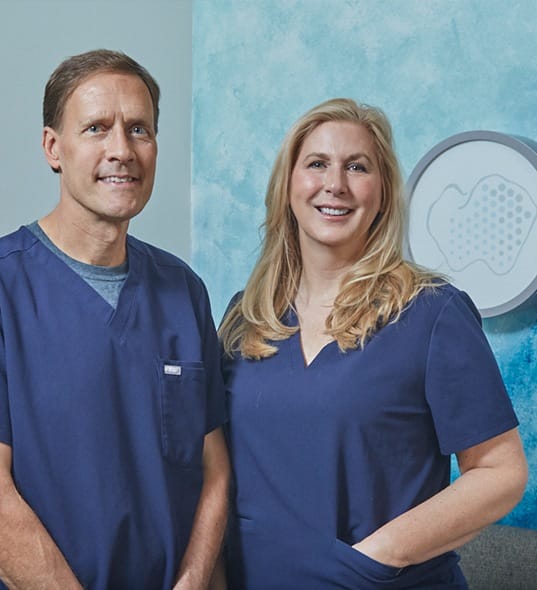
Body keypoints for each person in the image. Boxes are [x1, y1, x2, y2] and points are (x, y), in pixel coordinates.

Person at [0, 49, 229, 590]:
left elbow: (214, 469)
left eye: (139, 129)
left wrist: (193, 579)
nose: (122, 150)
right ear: (54, 147)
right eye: (96, 128)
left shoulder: (183, 291)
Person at [218, 98, 528, 589]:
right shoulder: (245, 317)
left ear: (382, 193)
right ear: (287, 186)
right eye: (316, 164)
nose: (334, 184)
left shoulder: (432, 312)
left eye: (357, 167)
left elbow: (500, 471)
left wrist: (377, 558)